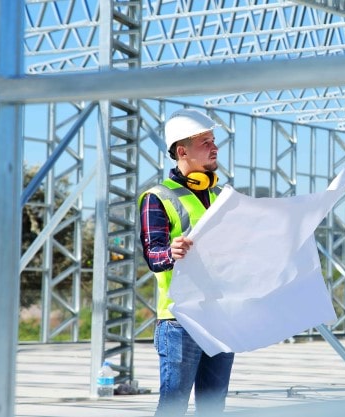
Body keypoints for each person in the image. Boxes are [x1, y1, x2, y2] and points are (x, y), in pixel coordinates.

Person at [139, 108, 234, 416]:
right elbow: (153, 256)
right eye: (205, 141)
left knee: (212, 408)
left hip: (221, 317)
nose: (214, 147)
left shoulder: (224, 195)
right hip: (180, 320)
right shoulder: (159, 196)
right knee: (173, 408)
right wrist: (171, 253)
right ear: (182, 151)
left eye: (214, 140)